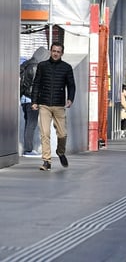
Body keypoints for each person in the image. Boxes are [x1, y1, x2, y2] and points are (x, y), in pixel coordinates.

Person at [31, 42, 76, 171]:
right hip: (44, 104)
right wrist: (34, 101)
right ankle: (46, 161)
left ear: (62, 53)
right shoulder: (42, 66)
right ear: (50, 51)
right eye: (54, 51)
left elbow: (71, 85)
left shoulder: (66, 68)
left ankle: (60, 152)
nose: (55, 53)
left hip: (59, 105)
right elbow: (36, 84)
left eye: (58, 51)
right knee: (45, 133)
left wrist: (70, 99)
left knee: (62, 134)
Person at [20, 46, 49, 156]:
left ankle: (28, 148)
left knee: (29, 123)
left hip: (24, 98)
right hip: (32, 99)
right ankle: (28, 150)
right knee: (31, 124)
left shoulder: (26, 64)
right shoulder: (36, 67)